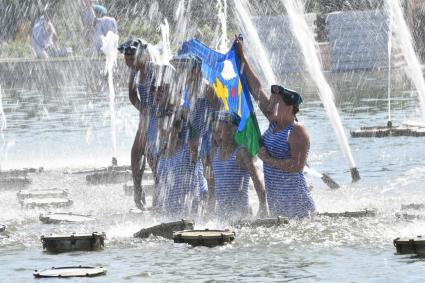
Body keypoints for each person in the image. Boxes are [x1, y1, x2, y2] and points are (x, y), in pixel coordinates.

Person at [234, 36, 315, 218]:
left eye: (275, 103)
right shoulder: (273, 124)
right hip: (278, 208)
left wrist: (267, 160)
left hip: (299, 209)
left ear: (289, 107)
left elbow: (297, 166)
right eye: (270, 102)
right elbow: (257, 89)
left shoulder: (297, 131)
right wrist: (242, 58)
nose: (269, 106)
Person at [120, 39, 159, 210]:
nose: (129, 63)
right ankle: (138, 188)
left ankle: (160, 195)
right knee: (136, 153)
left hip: (160, 117)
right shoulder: (134, 71)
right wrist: (142, 108)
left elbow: (163, 92)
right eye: (126, 60)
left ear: (142, 55)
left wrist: (154, 111)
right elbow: (132, 95)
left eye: (131, 59)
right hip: (146, 116)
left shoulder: (153, 69)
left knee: (153, 157)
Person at [211, 111, 267, 220]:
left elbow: (257, 180)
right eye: (214, 131)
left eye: (220, 131)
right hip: (222, 215)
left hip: (242, 216)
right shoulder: (214, 153)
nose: (217, 136)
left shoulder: (241, 152)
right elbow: (213, 188)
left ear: (233, 130)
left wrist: (263, 206)